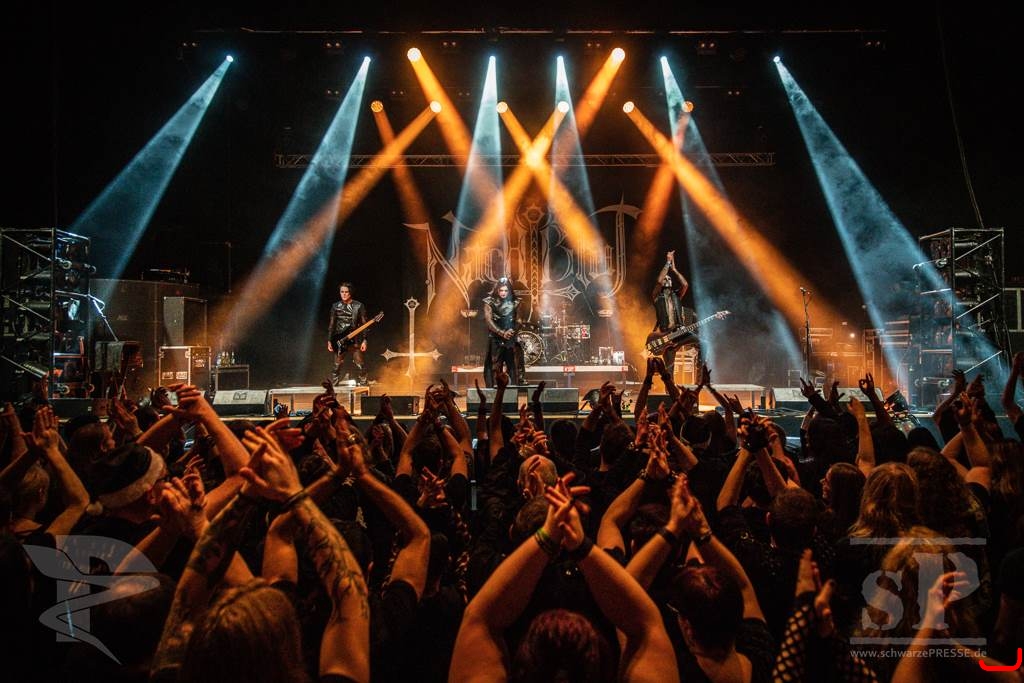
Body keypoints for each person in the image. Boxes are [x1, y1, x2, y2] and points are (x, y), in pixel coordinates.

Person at [648, 250, 691, 371]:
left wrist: (674, 270)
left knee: (701, 342)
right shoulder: (656, 297)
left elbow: (685, 285)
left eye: (669, 279)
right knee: (670, 366)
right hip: (665, 336)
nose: (667, 279)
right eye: (665, 279)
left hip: (678, 332)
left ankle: (702, 373)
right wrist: (667, 263)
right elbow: (659, 281)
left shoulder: (676, 296)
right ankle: (668, 381)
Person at [482, 277, 523, 387]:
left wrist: (511, 331)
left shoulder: (516, 302)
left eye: (506, 290)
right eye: (501, 290)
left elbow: (519, 320)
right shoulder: (489, 302)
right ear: (497, 290)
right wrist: (501, 332)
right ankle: (494, 391)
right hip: (495, 338)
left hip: (510, 338)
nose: (503, 293)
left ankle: (513, 390)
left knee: (513, 366)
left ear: (509, 290)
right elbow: (489, 321)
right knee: (495, 366)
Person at [327, 282, 369, 385]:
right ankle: (334, 386)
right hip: (340, 340)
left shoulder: (358, 306)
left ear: (350, 293)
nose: (344, 294)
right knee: (337, 366)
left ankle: (364, 386)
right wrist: (329, 340)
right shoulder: (335, 306)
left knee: (360, 364)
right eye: (342, 292)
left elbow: (365, 324)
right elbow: (332, 325)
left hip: (354, 339)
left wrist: (365, 340)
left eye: (346, 292)